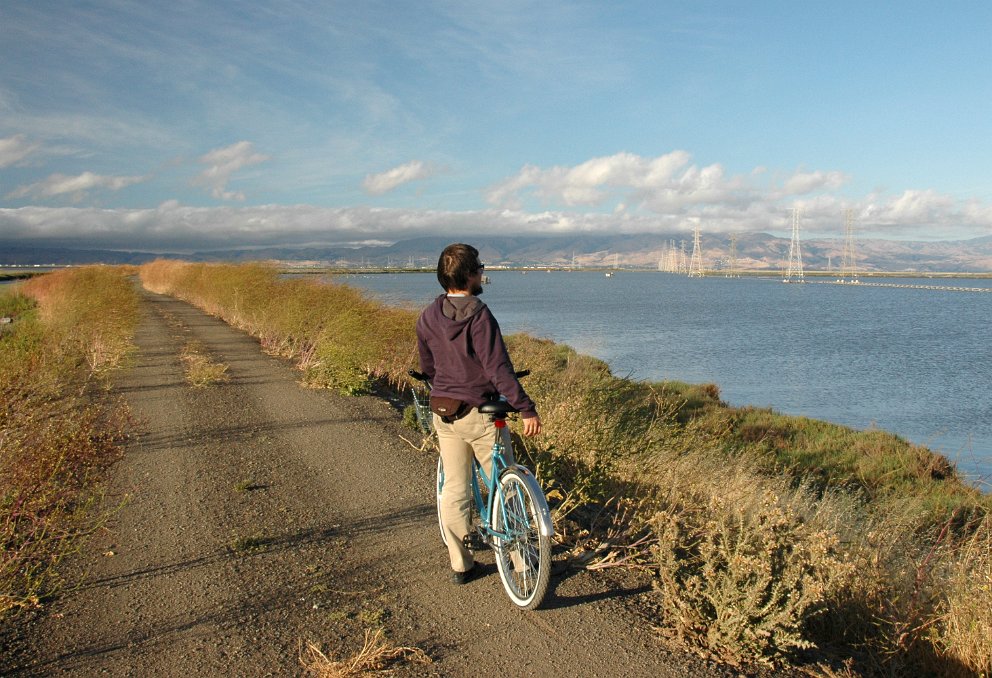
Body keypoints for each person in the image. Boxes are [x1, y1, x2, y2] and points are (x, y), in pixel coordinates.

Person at [415, 243, 542, 584]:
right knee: (506, 486)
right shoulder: (480, 315)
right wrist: (525, 408)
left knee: (455, 488)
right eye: (480, 268)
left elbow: (427, 366)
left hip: (444, 412)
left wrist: (443, 383)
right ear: (470, 275)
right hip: (480, 414)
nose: (482, 273)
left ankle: (462, 565)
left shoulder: (428, 314)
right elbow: (498, 368)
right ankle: (522, 563)